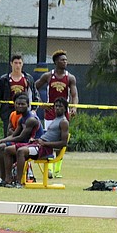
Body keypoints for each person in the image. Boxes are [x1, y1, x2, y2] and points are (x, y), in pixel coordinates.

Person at [35, 49, 78, 178]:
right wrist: (40, 102)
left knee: (61, 140)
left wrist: (74, 107)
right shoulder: (48, 76)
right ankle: (49, 168)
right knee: (48, 139)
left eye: (66, 60)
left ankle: (57, 170)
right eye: (62, 60)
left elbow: (74, 95)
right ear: (56, 62)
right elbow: (34, 87)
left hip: (63, 113)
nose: (65, 62)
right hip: (50, 113)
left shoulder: (70, 77)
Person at [14, 98, 70, 185]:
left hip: (44, 149)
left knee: (21, 151)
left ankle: (18, 182)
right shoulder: (55, 119)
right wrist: (37, 140)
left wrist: (44, 143)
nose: (57, 108)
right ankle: (6, 180)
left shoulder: (64, 122)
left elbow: (64, 143)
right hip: (38, 144)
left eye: (60, 106)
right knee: (8, 149)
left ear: (65, 109)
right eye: (56, 106)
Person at [0, 93, 34, 185]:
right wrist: (8, 136)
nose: (19, 106)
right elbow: (10, 132)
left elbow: (20, 136)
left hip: (29, 144)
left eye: (22, 104)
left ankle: (5, 178)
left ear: (28, 105)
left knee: (1, 147)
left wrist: (4, 139)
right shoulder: (15, 116)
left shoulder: (29, 118)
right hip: (17, 140)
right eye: (17, 103)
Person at [0, 53, 37, 134]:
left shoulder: (28, 79)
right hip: (8, 111)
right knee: (8, 134)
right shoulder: (4, 79)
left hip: (24, 111)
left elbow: (34, 95)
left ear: (22, 64)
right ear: (11, 64)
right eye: (15, 63)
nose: (18, 65)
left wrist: (33, 109)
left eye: (19, 63)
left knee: (24, 134)